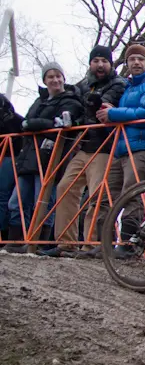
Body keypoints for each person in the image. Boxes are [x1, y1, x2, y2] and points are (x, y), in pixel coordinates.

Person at [48, 46, 126, 257]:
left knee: (97, 195)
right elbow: (75, 104)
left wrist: (86, 104)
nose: (100, 65)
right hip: (83, 146)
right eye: (96, 61)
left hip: (104, 147)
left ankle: (92, 244)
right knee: (65, 187)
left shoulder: (118, 83)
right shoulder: (83, 84)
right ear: (90, 63)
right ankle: (66, 242)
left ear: (111, 64)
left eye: (104, 61)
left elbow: (98, 106)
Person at [98, 45, 145, 259]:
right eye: (132, 59)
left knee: (132, 194)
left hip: (143, 147)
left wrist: (113, 113)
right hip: (121, 148)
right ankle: (102, 243)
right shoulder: (129, 87)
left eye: (141, 59)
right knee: (107, 196)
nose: (136, 63)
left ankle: (129, 244)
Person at [5, 62, 84, 253]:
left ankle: (40, 243)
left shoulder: (70, 100)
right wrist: (29, 123)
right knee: (16, 201)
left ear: (64, 79)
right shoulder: (39, 101)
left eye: (58, 76)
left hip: (50, 157)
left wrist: (31, 124)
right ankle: (15, 242)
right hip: (28, 157)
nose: (55, 80)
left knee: (45, 202)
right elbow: (29, 121)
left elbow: (57, 124)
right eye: (50, 77)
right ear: (44, 81)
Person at [0, 93, 24, 244]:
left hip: (10, 156)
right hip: (9, 155)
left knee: (3, 196)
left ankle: (3, 233)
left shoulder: (13, 118)